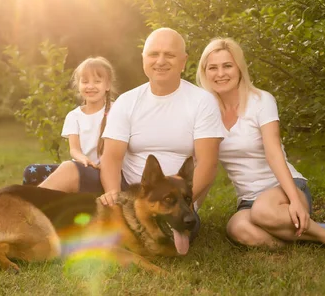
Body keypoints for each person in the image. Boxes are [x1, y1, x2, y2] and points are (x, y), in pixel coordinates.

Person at [38, 28, 225, 239]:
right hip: (126, 189)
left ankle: (95, 228)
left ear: (183, 61)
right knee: (68, 170)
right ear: (144, 59)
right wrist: (113, 195)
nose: (160, 61)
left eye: (169, 55)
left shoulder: (202, 102)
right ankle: (22, 214)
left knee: (159, 240)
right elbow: (111, 157)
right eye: (154, 54)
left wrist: (183, 205)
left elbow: (207, 165)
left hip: (173, 202)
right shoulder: (128, 101)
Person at [196, 37, 325, 251]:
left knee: (262, 211)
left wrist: (294, 200)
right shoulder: (206, 114)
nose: (220, 74)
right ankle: (321, 232)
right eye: (213, 68)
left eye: (227, 65)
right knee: (237, 228)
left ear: (239, 68)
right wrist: (190, 208)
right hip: (249, 201)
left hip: (285, 187)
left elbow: (274, 153)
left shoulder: (261, 101)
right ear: (205, 72)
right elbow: (202, 163)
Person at [22, 56, 116, 188]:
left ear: (107, 85)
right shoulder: (74, 116)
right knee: (31, 172)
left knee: (67, 167)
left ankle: (30, 204)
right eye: (85, 82)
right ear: (78, 85)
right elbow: (74, 150)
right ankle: (29, 203)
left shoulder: (117, 111)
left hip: (104, 173)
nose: (90, 86)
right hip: (81, 167)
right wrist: (83, 159)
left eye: (97, 81)